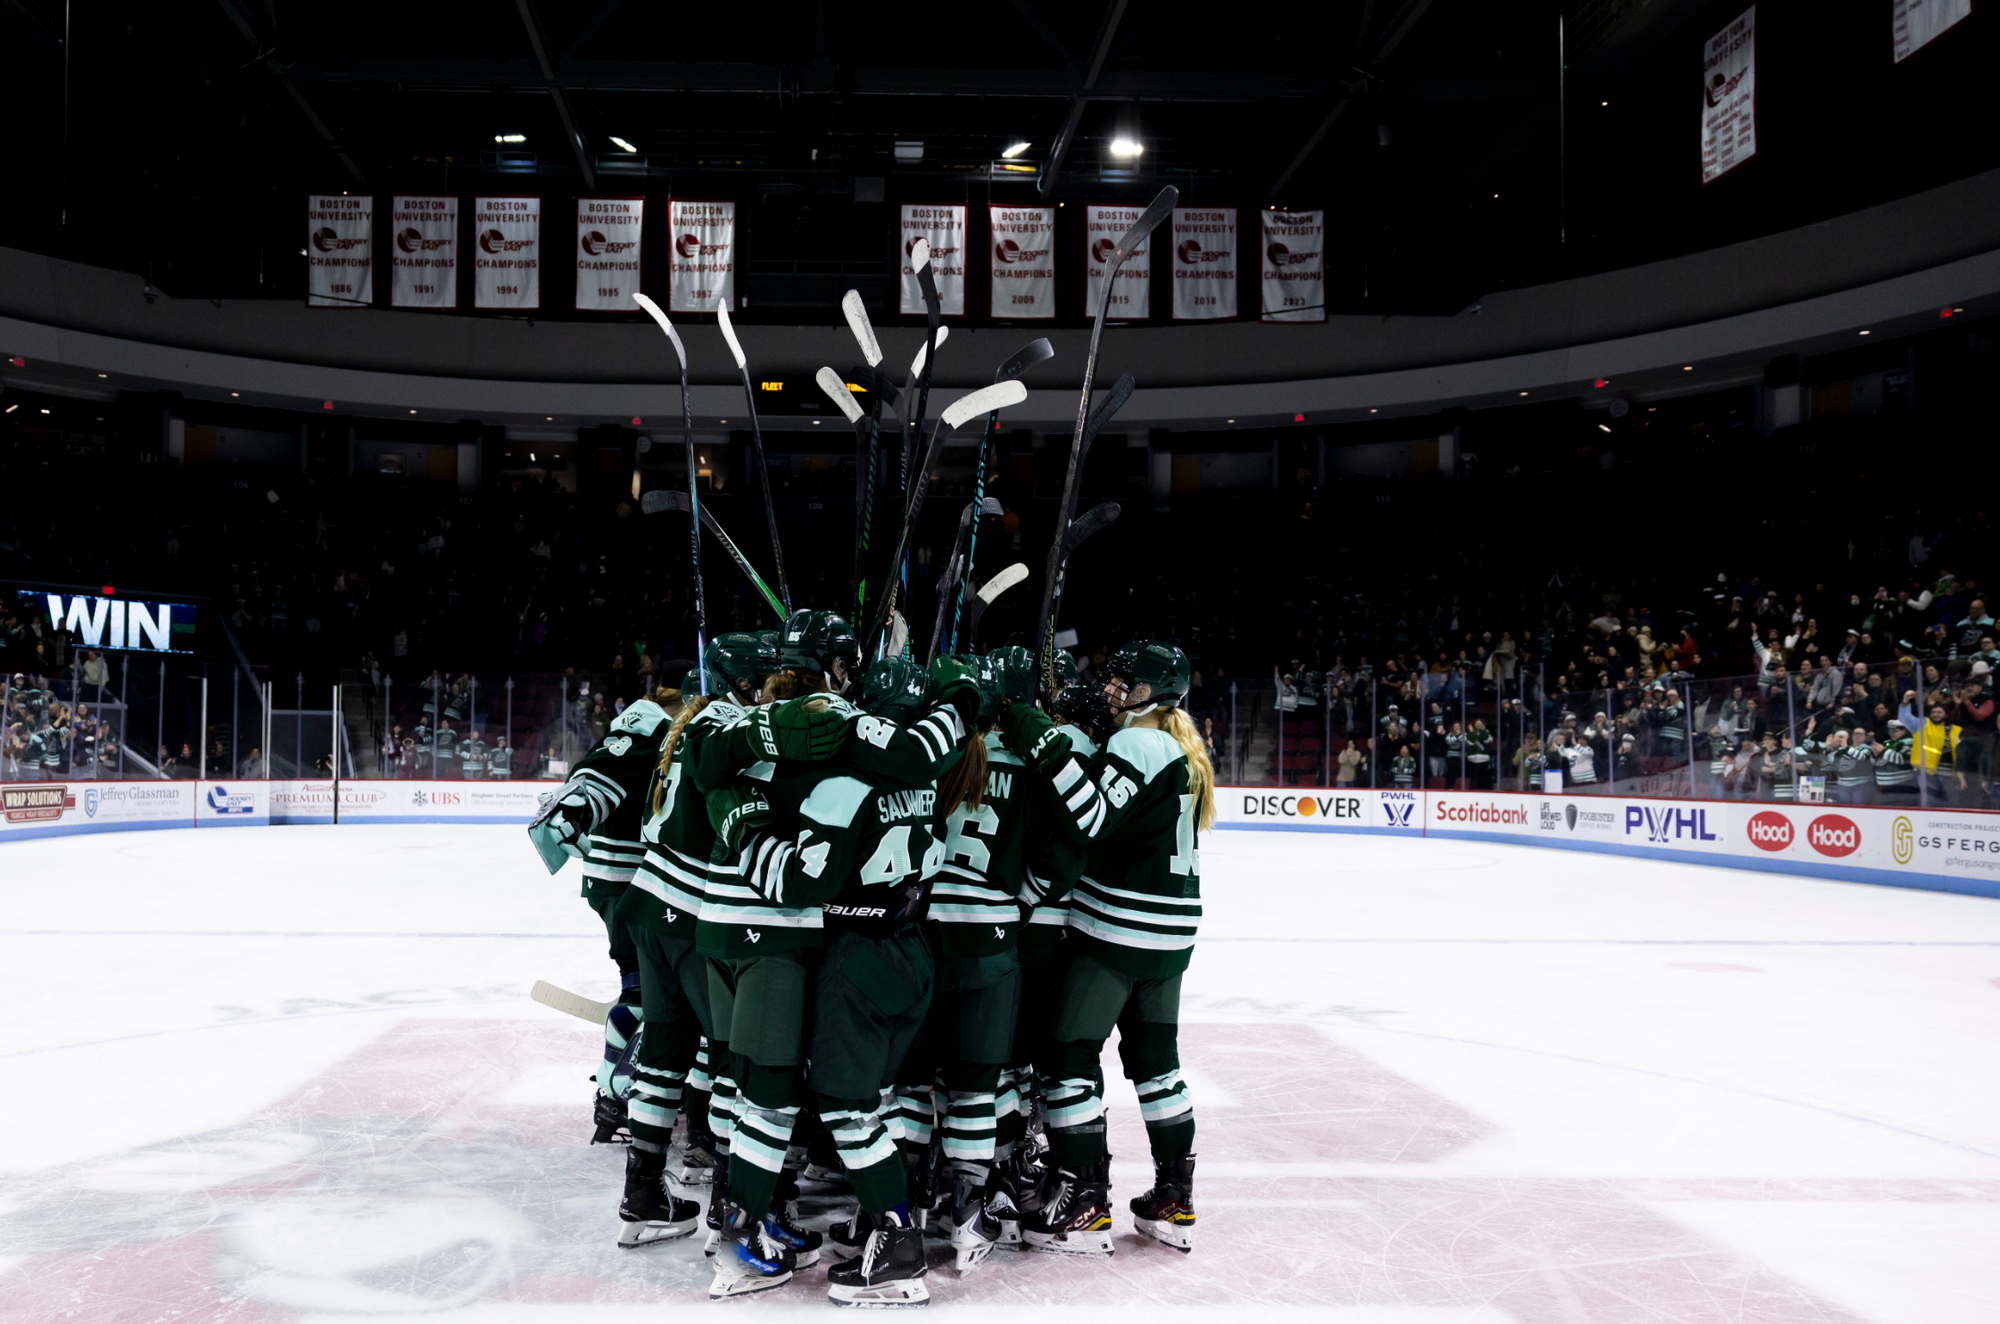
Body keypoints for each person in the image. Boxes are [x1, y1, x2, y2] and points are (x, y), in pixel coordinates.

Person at [1002, 640, 1213, 1257]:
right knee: (1156, 1063)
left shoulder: (1138, 742)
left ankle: (1085, 1201)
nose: (1112, 689)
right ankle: (1175, 1196)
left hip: (1120, 929)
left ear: (1150, 692)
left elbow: (1090, 817)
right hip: (1171, 934)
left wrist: (1044, 737)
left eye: (1124, 681)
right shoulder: (1181, 746)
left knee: (1068, 1056)